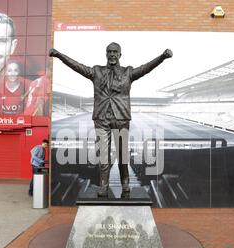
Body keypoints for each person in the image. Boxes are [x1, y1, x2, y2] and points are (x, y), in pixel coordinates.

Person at [49, 43, 172, 197]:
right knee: (103, 155)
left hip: (121, 117)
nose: (112, 54)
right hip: (101, 118)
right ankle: (103, 186)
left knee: (123, 155)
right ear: (106, 54)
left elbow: (146, 67)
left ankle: (125, 183)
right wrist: (59, 55)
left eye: (115, 52)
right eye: (109, 52)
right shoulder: (96, 71)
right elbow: (76, 66)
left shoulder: (128, 72)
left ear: (120, 54)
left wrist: (162, 57)